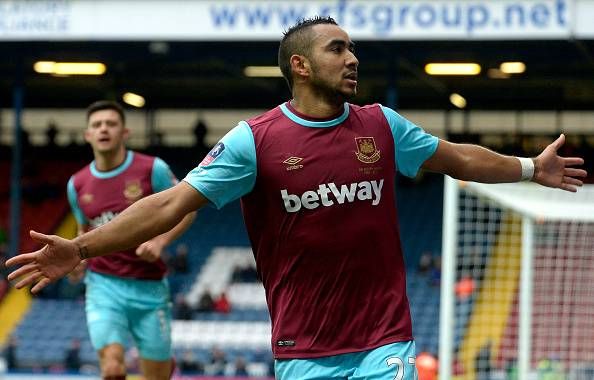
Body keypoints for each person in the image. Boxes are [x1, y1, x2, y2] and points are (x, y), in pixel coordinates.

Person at [6, 17, 587, 380]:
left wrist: (529, 167)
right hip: (302, 346)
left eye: (353, 48)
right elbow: (167, 205)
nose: (353, 58)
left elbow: (457, 157)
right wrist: (81, 249)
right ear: (301, 65)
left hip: (384, 338)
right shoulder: (253, 143)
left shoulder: (381, 125)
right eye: (338, 49)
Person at [48, 100, 196, 380]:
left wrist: (160, 242)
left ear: (124, 132)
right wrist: (79, 260)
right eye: (97, 125)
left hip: (149, 288)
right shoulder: (77, 184)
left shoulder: (152, 169)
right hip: (104, 287)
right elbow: (85, 231)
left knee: (157, 376)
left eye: (111, 124)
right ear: (87, 135)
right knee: (113, 368)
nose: (104, 129)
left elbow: (188, 208)